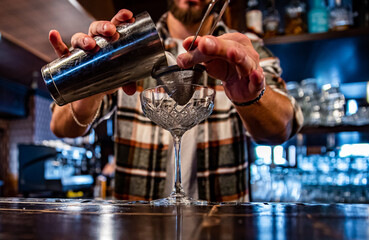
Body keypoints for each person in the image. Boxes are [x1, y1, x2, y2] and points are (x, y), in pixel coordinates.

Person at [49, 0, 303, 202]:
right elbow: (62, 128)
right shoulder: (129, 46)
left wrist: (251, 97)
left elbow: (284, 127)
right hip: (139, 229)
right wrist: (92, 80)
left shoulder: (244, 48)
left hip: (221, 228)